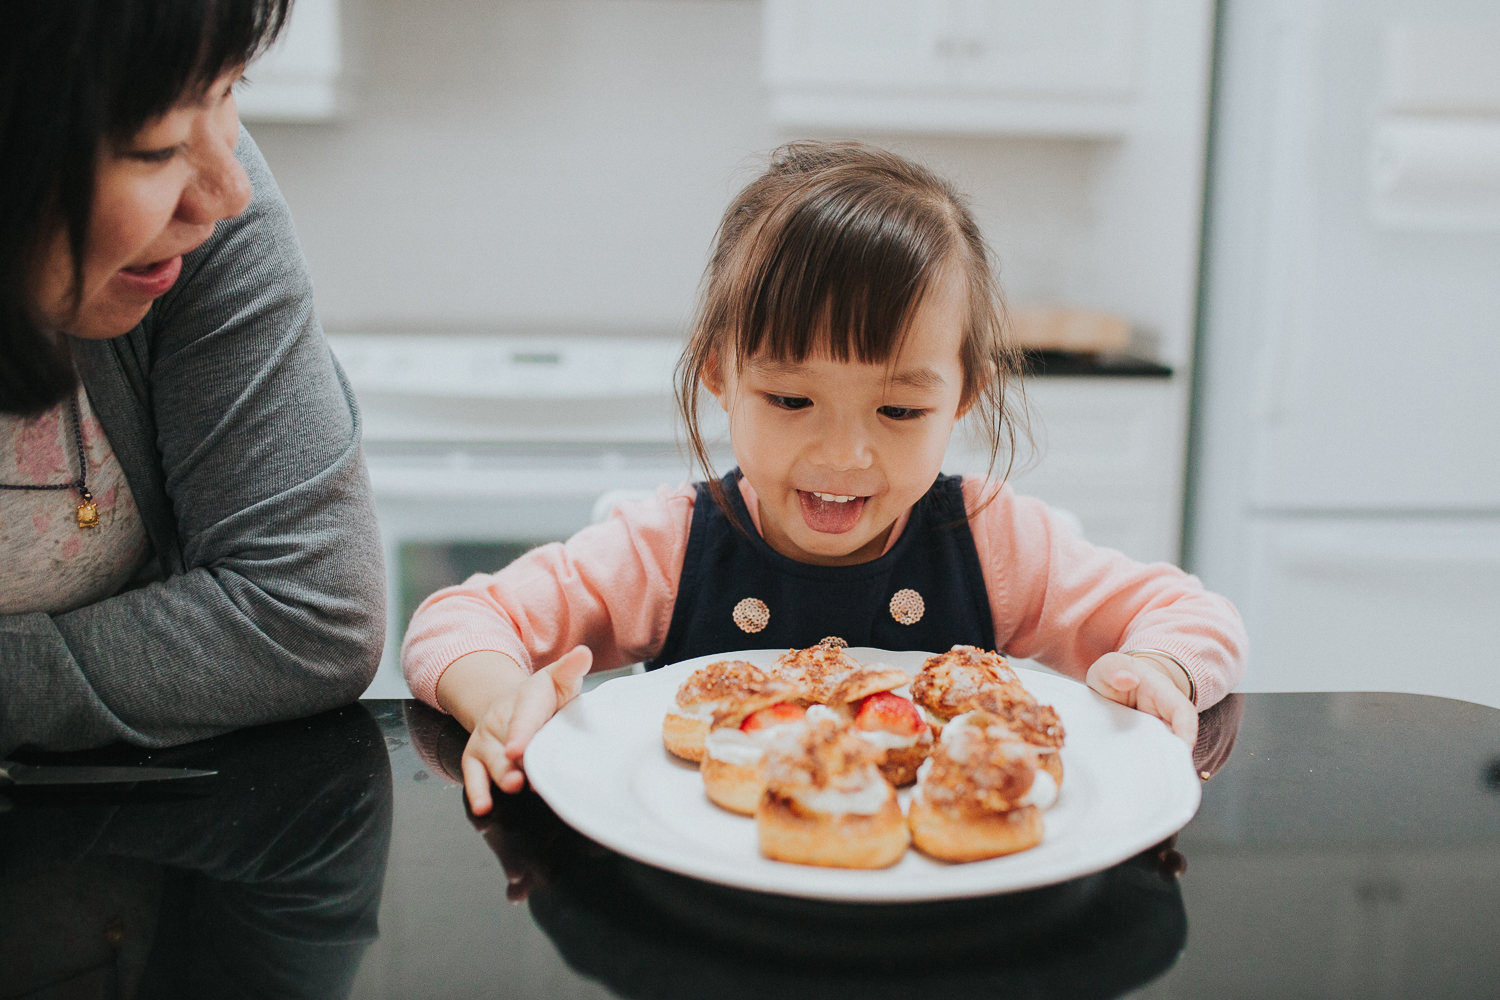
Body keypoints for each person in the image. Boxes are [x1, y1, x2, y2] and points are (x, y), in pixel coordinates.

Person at [402, 142, 1247, 814]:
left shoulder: (992, 541)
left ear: (964, 399)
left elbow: (1192, 616)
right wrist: (501, 700)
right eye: (792, 398)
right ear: (719, 376)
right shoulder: (666, 547)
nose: (845, 456)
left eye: (899, 412)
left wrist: (1162, 673)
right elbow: (456, 620)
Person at [0, 0, 385, 753]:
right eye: (155, 147)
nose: (228, 192)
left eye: (232, 87)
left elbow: (310, 612)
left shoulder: (202, 239)